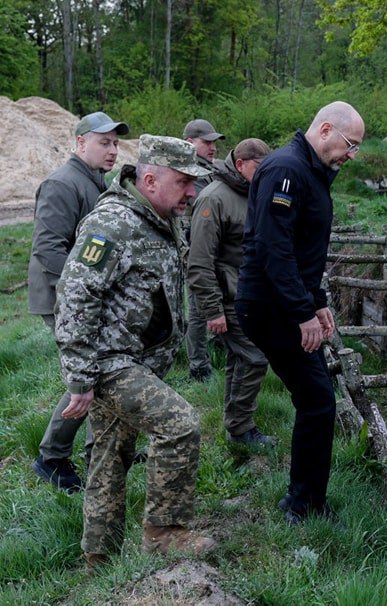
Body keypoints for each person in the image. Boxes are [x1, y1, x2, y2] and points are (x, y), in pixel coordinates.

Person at [56, 134, 217, 570]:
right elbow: (74, 296)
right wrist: (81, 378)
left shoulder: (160, 216)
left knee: (109, 457)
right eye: (184, 181)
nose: (191, 191)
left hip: (139, 361)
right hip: (111, 364)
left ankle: (98, 558)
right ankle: (164, 533)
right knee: (180, 425)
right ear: (150, 178)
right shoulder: (113, 223)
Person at [236, 101, 363, 525]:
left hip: (284, 303)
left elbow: (305, 251)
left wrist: (319, 302)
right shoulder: (286, 170)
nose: (352, 155)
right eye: (350, 144)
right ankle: (302, 505)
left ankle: (304, 500)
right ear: (325, 129)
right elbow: (275, 251)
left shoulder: (310, 171)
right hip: (271, 306)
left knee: (316, 398)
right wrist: (301, 314)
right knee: (317, 399)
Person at [28, 111, 130, 492]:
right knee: (85, 374)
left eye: (116, 143)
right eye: (104, 142)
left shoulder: (96, 181)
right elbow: (48, 249)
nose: (112, 150)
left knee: (98, 371)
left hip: (85, 295)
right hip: (62, 297)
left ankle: (97, 448)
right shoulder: (62, 183)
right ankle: (51, 457)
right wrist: (86, 289)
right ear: (80, 142)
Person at [187, 138, 278, 446]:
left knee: (239, 359)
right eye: (259, 168)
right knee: (255, 358)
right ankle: (241, 430)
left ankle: (235, 423)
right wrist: (212, 310)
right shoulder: (214, 198)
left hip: (249, 297)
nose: (265, 174)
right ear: (240, 165)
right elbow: (199, 262)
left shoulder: (253, 192)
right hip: (227, 300)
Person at [182, 118, 226, 382]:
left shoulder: (208, 169)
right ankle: (198, 367)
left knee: (212, 302)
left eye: (214, 143)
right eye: (206, 142)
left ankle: (217, 348)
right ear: (190, 143)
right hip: (195, 249)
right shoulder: (191, 172)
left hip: (211, 247)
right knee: (198, 309)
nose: (213, 147)